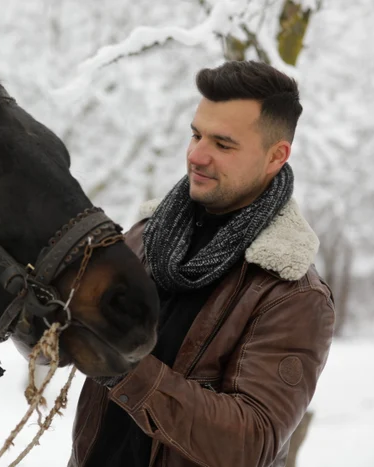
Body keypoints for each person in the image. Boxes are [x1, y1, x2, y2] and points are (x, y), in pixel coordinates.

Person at [68, 60, 335, 467]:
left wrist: (123, 370)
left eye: (223, 144)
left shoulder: (291, 293)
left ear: (275, 156)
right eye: (196, 135)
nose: (196, 155)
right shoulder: (144, 237)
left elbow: (251, 442)